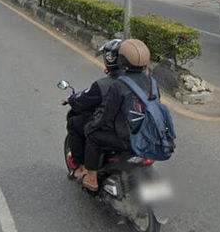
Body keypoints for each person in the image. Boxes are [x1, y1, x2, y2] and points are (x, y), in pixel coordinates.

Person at [81, 39, 153, 191]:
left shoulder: (118, 85)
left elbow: (106, 115)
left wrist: (91, 126)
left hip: (126, 139)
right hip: (147, 136)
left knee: (92, 135)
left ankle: (92, 179)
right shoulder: (151, 82)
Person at [63, 39, 122, 182]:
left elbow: (83, 99)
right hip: (137, 130)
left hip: (115, 130)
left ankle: (84, 169)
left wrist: (70, 99)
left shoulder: (103, 85)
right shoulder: (144, 81)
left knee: (75, 123)